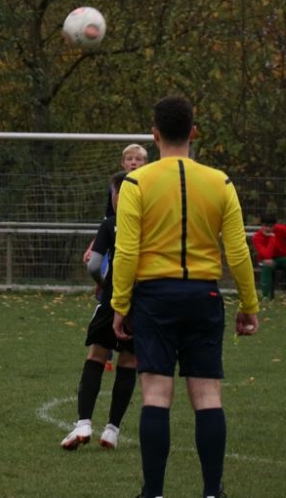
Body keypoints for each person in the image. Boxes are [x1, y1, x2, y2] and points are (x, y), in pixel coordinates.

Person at [111, 96, 259, 498]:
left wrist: (120, 304)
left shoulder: (136, 183)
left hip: (154, 297)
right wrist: (249, 304)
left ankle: (154, 493)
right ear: (194, 132)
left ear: (154, 134)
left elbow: (126, 251)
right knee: (207, 395)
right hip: (203, 295)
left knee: (156, 395)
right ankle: (212, 492)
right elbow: (238, 251)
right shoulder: (220, 182)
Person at [61, 170, 137, 451]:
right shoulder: (150, 224)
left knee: (96, 356)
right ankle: (112, 430)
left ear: (117, 195)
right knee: (129, 362)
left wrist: (104, 285)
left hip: (113, 296)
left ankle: (83, 423)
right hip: (142, 300)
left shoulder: (110, 224)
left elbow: (94, 265)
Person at [251, 213, 286, 300]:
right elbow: (266, 255)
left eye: (271, 226)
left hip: (282, 257)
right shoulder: (257, 237)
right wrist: (272, 238)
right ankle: (266, 296)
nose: (268, 229)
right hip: (266, 259)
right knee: (267, 266)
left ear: (274, 225)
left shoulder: (279, 229)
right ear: (261, 225)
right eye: (265, 226)